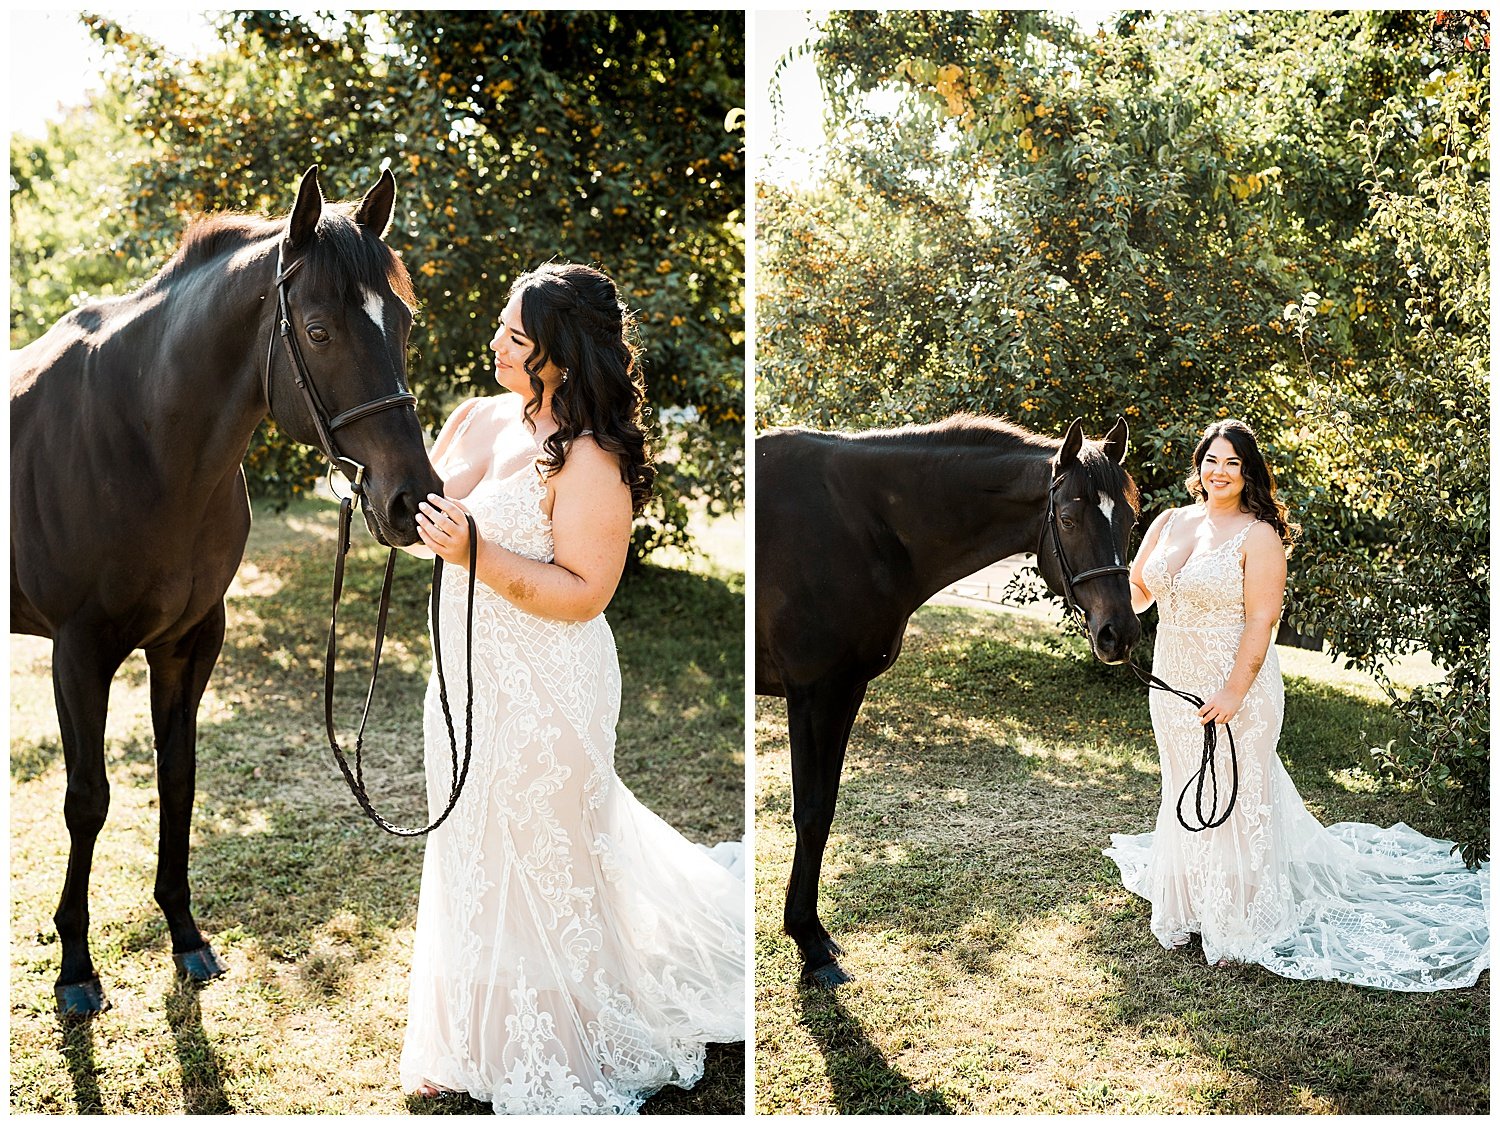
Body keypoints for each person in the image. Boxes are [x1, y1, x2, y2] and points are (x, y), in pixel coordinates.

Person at [398, 262, 745, 1111]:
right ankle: (473, 1033)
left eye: (516, 338)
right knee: (472, 843)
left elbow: (584, 591)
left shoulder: (590, 453)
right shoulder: (475, 417)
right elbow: (424, 528)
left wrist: (474, 552)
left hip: (549, 682)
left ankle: (558, 1040)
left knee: (549, 855)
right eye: (502, 327)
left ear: (558, 354)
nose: (496, 344)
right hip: (462, 675)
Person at [1104, 418, 1488, 991]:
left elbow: (1263, 619)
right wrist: (1104, 607)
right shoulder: (1169, 521)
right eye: (1212, 460)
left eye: (1233, 463)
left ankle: (1235, 920)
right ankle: (1189, 905)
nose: (1220, 472)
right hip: (1173, 679)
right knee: (1186, 782)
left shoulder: (1259, 535)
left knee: (1237, 794)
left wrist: (1235, 691)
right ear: (1198, 465)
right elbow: (1138, 589)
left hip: (1238, 682)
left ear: (1249, 472)